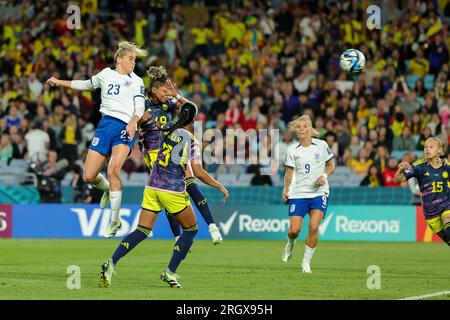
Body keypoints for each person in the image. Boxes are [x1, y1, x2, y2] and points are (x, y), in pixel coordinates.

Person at [99, 101, 229, 288]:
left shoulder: (166, 129)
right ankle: (170, 272)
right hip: (172, 189)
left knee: (142, 230)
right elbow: (198, 172)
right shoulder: (190, 139)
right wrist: (219, 186)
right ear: (193, 119)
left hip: (152, 186)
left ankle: (111, 262)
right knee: (191, 230)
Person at [46, 41, 147, 238]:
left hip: (125, 127)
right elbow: (84, 84)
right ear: (119, 59)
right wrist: (59, 81)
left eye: (134, 60)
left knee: (113, 169)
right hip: (105, 126)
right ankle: (108, 189)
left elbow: (140, 106)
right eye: (130, 59)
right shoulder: (105, 75)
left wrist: (134, 121)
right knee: (89, 175)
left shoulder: (137, 81)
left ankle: (115, 220)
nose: (133, 63)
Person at [138, 66, 224, 244]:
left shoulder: (167, 103)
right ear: (154, 89)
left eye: (167, 91)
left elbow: (190, 109)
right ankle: (178, 236)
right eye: (164, 91)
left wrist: (175, 94)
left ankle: (212, 227)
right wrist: (139, 120)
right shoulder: (142, 105)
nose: (166, 94)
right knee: (173, 189)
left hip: (173, 146)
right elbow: (130, 122)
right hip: (154, 153)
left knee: (191, 182)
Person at [281, 115, 335, 273]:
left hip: (319, 192)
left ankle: (306, 263)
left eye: (304, 126)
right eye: (298, 127)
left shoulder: (322, 145)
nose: (302, 129)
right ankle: (290, 244)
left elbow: (331, 164)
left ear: (310, 128)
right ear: (295, 130)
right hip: (298, 194)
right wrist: (286, 189)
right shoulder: (292, 150)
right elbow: (288, 173)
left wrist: (323, 176)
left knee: (313, 226)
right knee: (294, 230)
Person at [394, 137, 450, 246]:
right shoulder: (419, 166)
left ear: (439, 150)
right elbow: (397, 180)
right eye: (425, 147)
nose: (427, 149)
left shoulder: (447, 167)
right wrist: (401, 169)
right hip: (431, 213)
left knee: (448, 220)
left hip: (446, 204)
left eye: (431, 147)